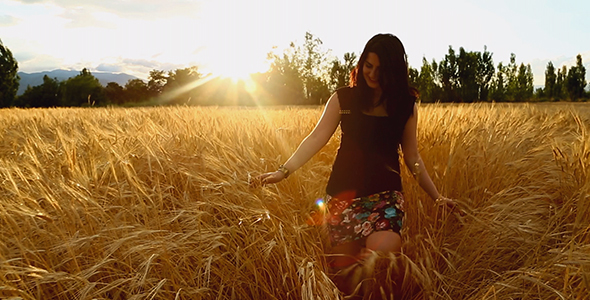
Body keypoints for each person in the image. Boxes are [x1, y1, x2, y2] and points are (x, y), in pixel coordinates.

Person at [254, 33, 457, 296]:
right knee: (348, 280)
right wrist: (283, 171)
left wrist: (437, 196)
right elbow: (316, 137)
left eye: (380, 69)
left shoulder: (405, 105)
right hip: (342, 197)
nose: (372, 74)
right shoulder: (344, 99)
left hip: (386, 198)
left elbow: (412, 157)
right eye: (367, 65)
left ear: (394, 71)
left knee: (380, 260)